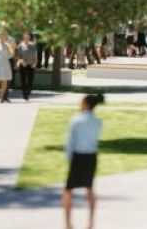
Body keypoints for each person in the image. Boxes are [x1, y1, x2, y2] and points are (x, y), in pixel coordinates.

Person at [64, 93, 105, 229]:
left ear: (86, 104)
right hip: (92, 157)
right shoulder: (98, 121)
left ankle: (68, 223)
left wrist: (69, 158)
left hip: (78, 156)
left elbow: (70, 142)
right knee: (90, 188)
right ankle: (90, 222)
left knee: (68, 190)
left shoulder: (76, 120)